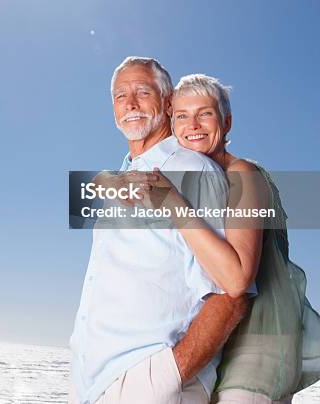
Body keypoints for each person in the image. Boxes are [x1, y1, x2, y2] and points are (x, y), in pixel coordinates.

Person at [68, 57, 256, 404]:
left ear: (168, 101)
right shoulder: (122, 177)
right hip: (90, 380)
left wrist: (170, 373)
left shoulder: (194, 169)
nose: (130, 103)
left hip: (148, 378)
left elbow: (230, 294)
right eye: (120, 95)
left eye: (143, 91)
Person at [150, 73, 320, 403]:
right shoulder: (202, 181)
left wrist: (171, 201)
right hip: (224, 338)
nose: (192, 124)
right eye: (182, 116)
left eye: (205, 113)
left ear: (226, 122)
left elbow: (239, 277)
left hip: (258, 342)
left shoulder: (243, 173)